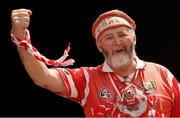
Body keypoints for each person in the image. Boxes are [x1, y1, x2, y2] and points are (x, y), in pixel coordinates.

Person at [11, 8, 180, 117]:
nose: (117, 42)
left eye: (122, 34)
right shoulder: (86, 78)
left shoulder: (163, 74)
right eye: (108, 37)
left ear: (134, 38)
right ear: (99, 46)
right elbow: (43, 77)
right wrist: (20, 37)